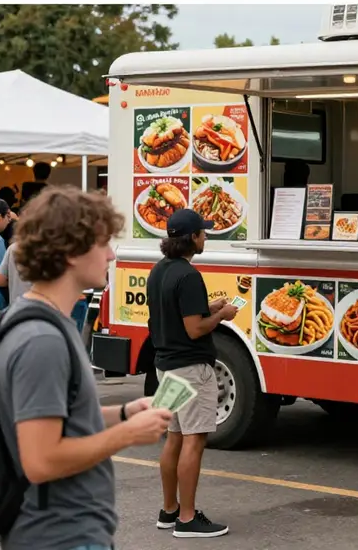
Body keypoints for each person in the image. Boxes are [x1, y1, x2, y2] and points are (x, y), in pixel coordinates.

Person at [0, 185, 173, 550]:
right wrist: (129, 433)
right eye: (102, 243)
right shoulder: (42, 340)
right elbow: (41, 460)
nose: (110, 254)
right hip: (61, 537)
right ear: (72, 251)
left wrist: (123, 412)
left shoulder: (38, 321)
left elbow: (59, 414)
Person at [147, 208, 239, 538]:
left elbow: (174, 315)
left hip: (166, 367)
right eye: (203, 232)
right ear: (193, 238)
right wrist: (223, 315)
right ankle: (187, 519)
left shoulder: (159, 270)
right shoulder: (188, 275)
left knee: (174, 437)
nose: (206, 236)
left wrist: (207, 308)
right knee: (194, 440)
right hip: (190, 369)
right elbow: (196, 329)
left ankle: (169, 511)